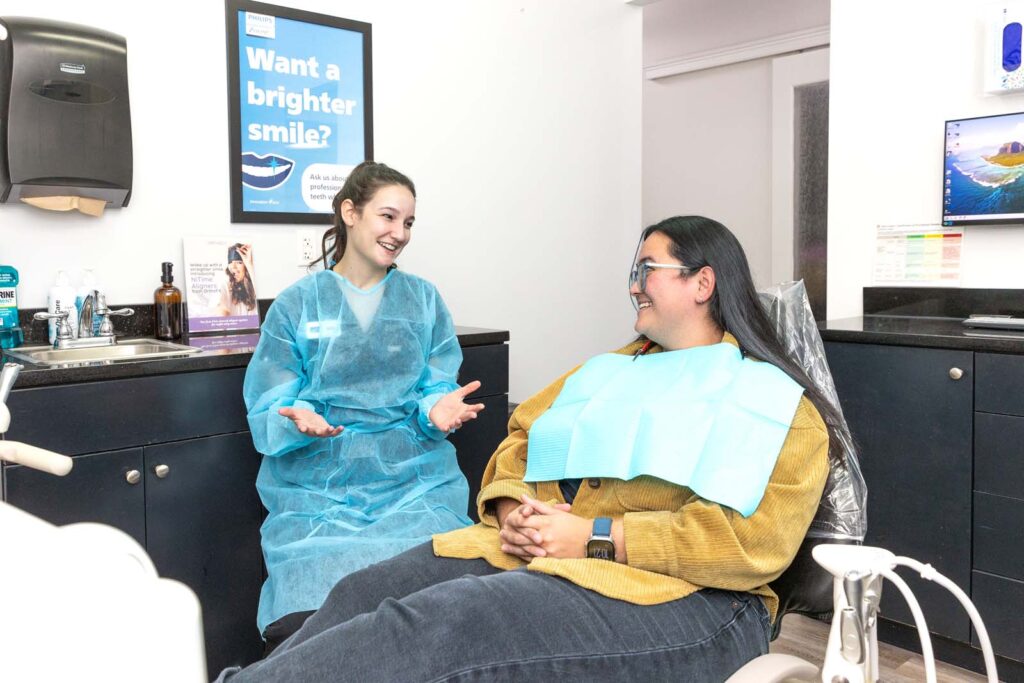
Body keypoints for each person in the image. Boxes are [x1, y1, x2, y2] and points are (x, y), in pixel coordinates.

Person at [219, 215, 843, 682]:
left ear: (702, 281)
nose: (632, 287)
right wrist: (514, 512)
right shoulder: (608, 371)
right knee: (362, 593)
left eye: (646, 270)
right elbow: (521, 442)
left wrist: (593, 535)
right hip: (553, 556)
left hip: (698, 601)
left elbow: (749, 545)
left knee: (442, 625)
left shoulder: (773, 404)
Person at [242, 161, 484, 653]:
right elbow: (270, 402)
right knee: (317, 617)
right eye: (388, 217)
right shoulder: (297, 305)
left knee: (449, 600)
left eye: (409, 222)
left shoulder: (423, 300)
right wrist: (295, 420)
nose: (400, 233)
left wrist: (435, 411)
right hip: (319, 491)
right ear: (349, 212)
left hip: (413, 481)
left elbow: (435, 382)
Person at [215, 243, 257, 316]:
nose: (233, 267)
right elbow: (221, 309)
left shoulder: (255, 287)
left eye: (239, 262)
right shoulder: (225, 286)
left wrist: (249, 264)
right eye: (230, 262)